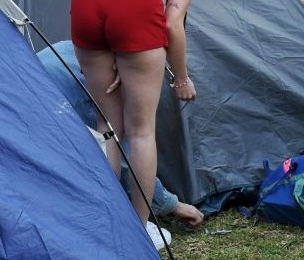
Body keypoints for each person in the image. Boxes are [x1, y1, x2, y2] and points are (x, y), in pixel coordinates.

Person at [70, 0, 217, 240]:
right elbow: (172, 19)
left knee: (107, 127)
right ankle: (138, 231)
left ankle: (103, 222)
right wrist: (181, 78)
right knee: (140, 133)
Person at [36, 41, 205, 236]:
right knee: (129, 138)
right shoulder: (90, 87)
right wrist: (172, 205)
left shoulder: (78, 51)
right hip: (53, 98)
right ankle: (130, 226)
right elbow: (121, 151)